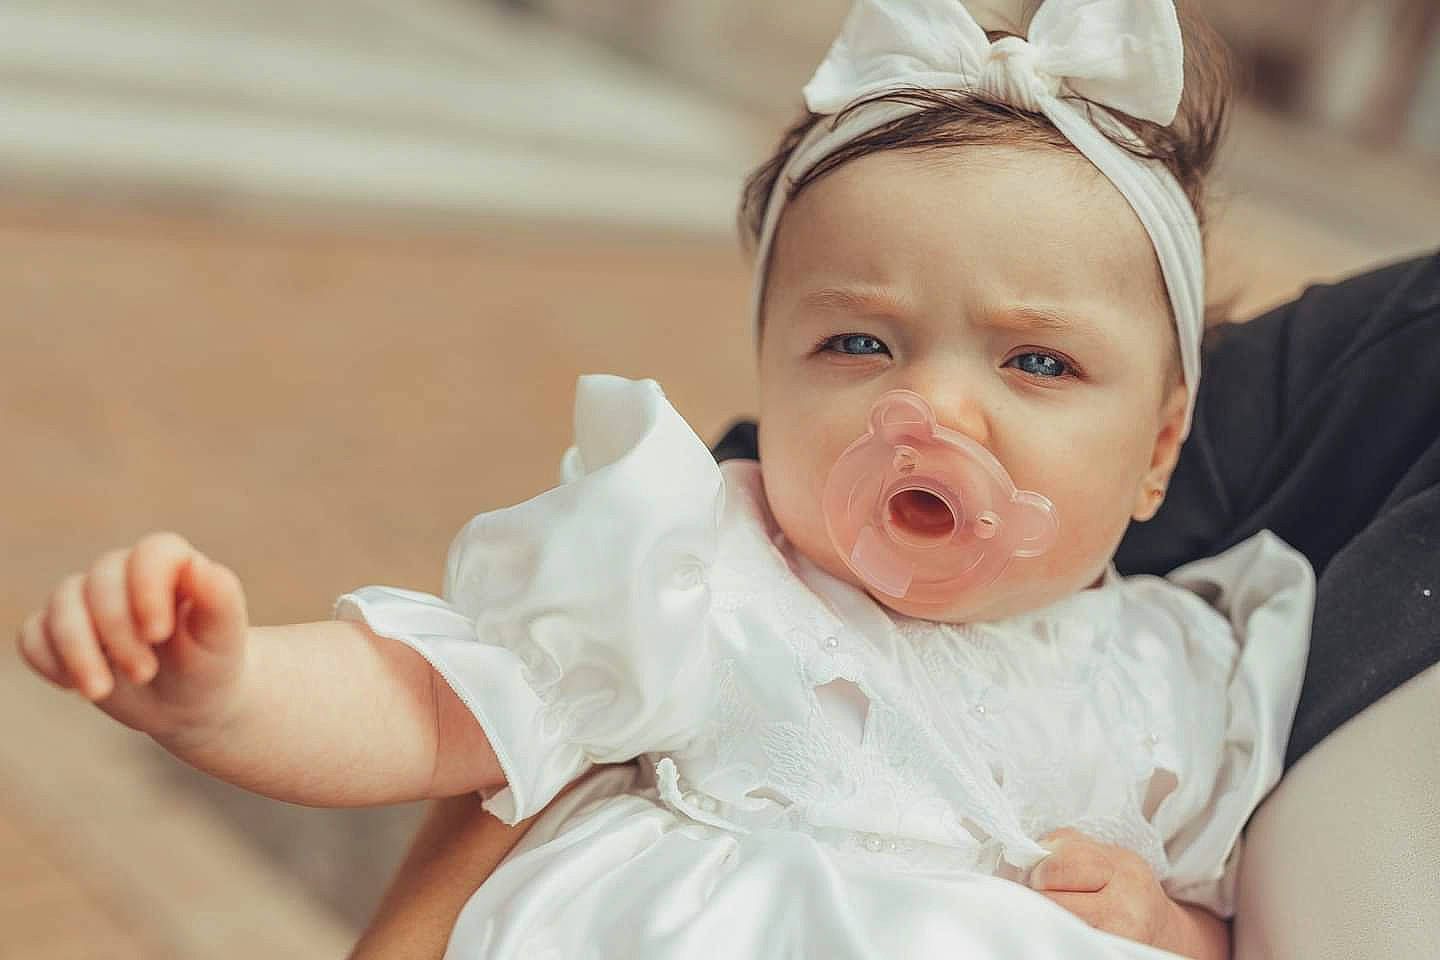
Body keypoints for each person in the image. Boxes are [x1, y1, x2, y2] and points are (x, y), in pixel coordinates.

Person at [14, 2, 1324, 958]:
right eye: (856, 342)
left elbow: (1254, 924)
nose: (931, 406)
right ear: (764, 367)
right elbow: (430, 702)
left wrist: (1172, 926)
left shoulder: (1189, 681)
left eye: (1037, 360)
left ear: (1157, 450)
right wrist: (224, 690)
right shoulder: (701, 569)